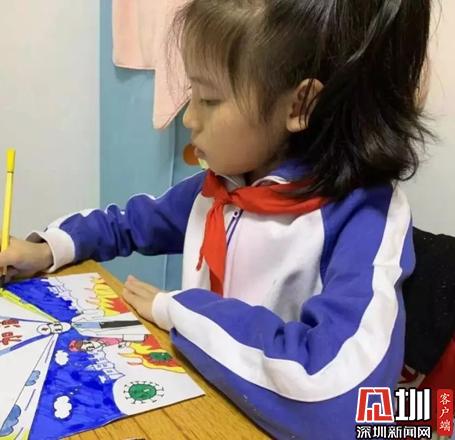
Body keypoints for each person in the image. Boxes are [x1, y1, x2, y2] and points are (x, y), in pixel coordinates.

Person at [0, 0, 432, 438]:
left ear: (300, 105)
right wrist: (46, 249)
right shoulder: (228, 183)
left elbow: (343, 403)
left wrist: (179, 312)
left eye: (209, 98)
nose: (189, 117)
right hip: (207, 403)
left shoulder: (365, 216)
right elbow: (128, 222)